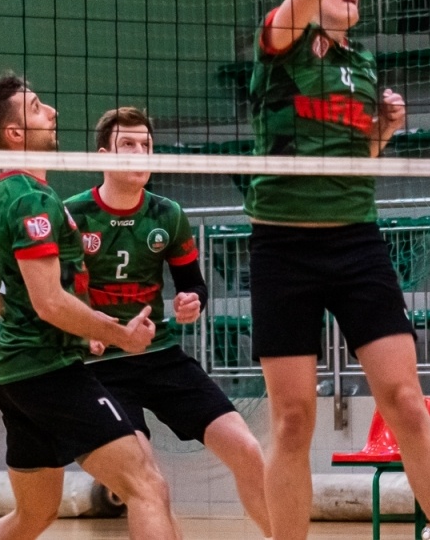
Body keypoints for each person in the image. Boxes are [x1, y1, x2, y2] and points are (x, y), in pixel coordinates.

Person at [248, 0, 430, 540]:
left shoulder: (363, 65)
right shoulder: (281, 42)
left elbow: (351, 157)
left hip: (355, 245)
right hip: (281, 247)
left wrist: (383, 134)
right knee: (292, 419)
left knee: (404, 398)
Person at [0, 75, 178, 540]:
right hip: (49, 372)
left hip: (15, 372)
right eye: (39, 107)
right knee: (147, 486)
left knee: (34, 515)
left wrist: (73, 327)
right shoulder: (30, 198)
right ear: (15, 134)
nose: (53, 112)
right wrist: (117, 332)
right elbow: (48, 301)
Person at [64, 107, 270, 539]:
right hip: (100, 369)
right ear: (103, 155)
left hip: (161, 357)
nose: (140, 153)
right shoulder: (73, 215)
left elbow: (193, 285)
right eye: (128, 145)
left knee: (248, 451)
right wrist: (84, 332)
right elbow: (53, 295)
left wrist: (192, 302)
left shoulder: (167, 214)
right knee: (149, 484)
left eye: (146, 146)